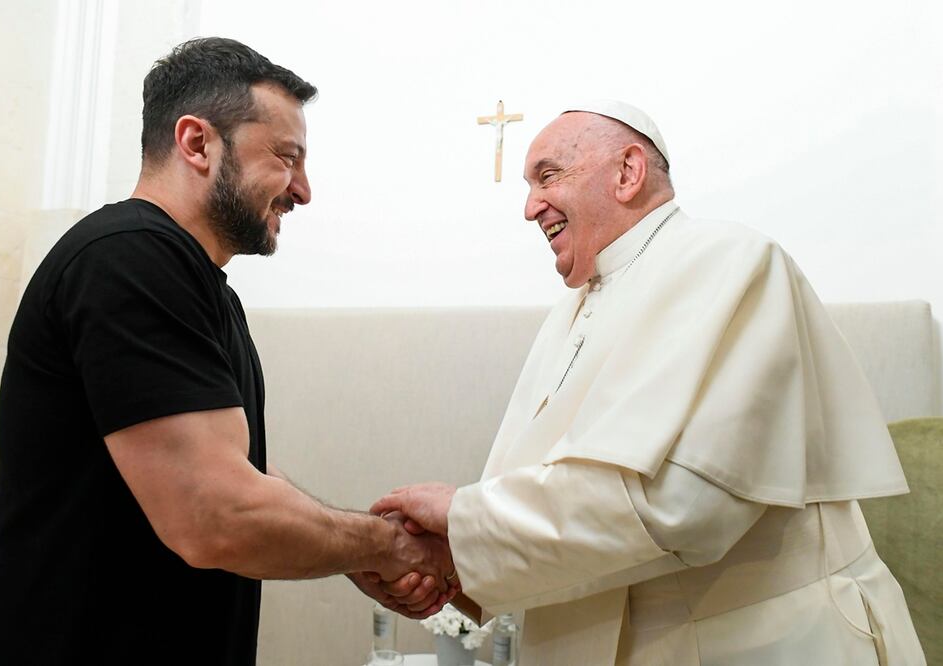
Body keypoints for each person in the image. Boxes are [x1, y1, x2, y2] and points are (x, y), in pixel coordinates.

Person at [372, 101, 926, 664]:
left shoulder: (730, 261)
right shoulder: (569, 312)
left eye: (548, 175)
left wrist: (462, 526)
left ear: (628, 172)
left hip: (761, 643)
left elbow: (683, 507)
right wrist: (454, 564)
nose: (529, 206)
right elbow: (553, 504)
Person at [0, 37, 453, 665]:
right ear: (197, 143)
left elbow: (239, 468)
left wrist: (352, 550)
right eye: (286, 157)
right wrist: (384, 547)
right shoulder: (126, 259)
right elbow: (218, 513)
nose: (302, 190)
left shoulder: (196, 283)